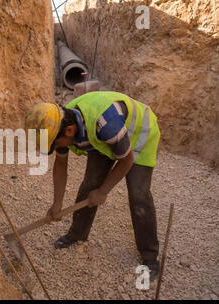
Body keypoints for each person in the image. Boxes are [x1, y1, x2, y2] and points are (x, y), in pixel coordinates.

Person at [25, 91, 161, 280]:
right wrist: (58, 203)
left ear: (70, 131)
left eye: (56, 144)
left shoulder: (105, 124)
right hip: (106, 139)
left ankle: (150, 256)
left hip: (139, 136)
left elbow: (126, 160)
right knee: (90, 185)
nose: (57, 148)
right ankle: (77, 234)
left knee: (138, 194)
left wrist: (103, 191)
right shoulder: (61, 122)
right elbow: (61, 164)